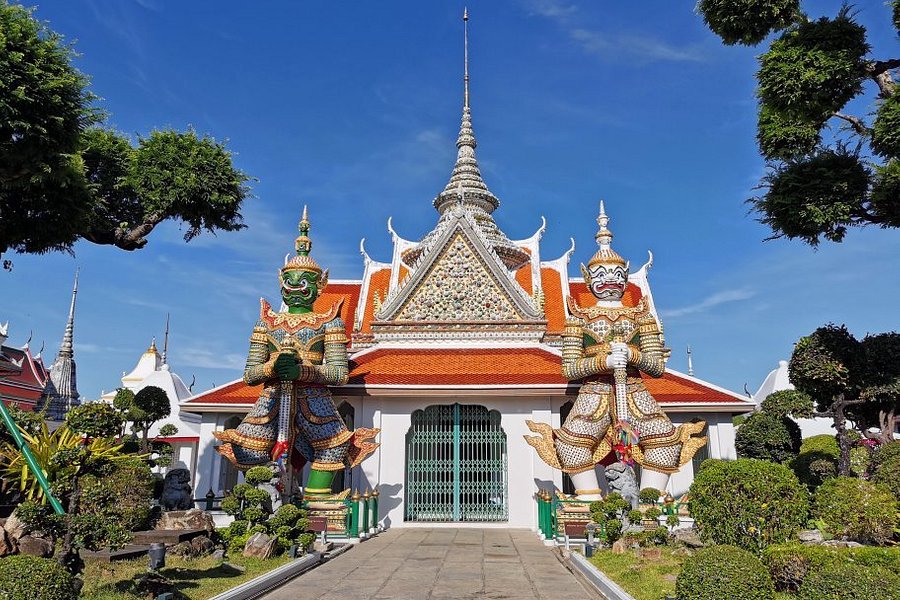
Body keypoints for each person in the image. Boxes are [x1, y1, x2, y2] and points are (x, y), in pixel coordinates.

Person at [526, 202, 705, 499]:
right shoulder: (578, 319)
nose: (610, 280)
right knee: (570, 446)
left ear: (625, 276)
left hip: (633, 390)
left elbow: (658, 367)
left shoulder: (641, 317)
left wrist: (633, 356)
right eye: (602, 274)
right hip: (594, 393)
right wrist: (603, 360)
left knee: (664, 443)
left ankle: (649, 504)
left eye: (617, 274)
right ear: (587, 277)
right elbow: (569, 369)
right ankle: (591, 503)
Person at [215, 207, 378, 500]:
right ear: (281, 283)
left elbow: (339, 374)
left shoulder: (329, 322)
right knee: (247, 447)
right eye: (289, 283)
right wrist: (273, 367)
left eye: (304, 283)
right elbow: (250, 375)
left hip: (314, 400)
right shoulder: (266, 323)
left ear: (320, 286)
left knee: (335, 445)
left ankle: (317, 500)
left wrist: (303, 371)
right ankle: (261, 501)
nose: (295, 289)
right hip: (272, 397)